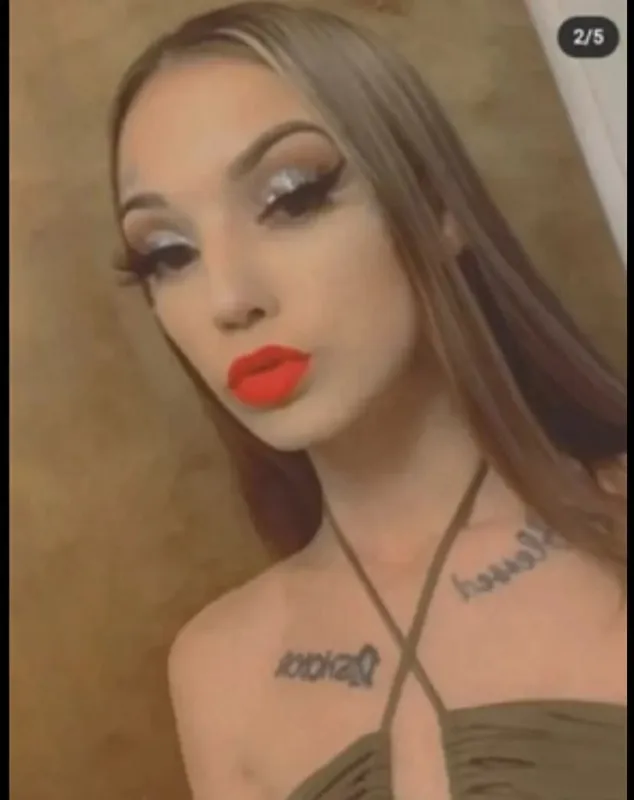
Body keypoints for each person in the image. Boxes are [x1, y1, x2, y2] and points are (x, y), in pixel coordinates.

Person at [108, 3, 627, 798]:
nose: (228, 298)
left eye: (291, 197)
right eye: (168, 254)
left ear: (436, 204)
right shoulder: (220, 670)